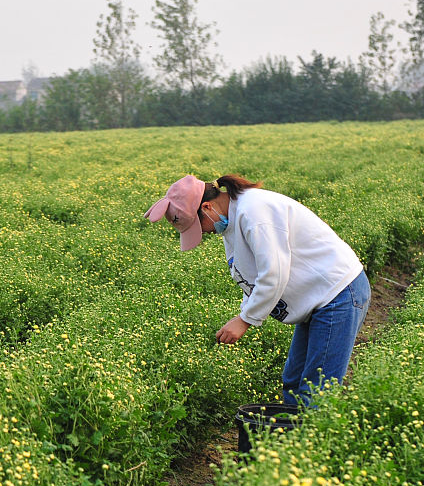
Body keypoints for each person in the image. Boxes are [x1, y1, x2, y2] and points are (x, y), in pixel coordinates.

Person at [146, 174, 370, 408]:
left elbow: (273, 273)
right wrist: (244, 313)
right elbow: (250, 276)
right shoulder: (231, 222)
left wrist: (245, 320)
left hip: (337, 294)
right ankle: (293, 440)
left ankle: (313, 442)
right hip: (316, 299)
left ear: (207, 207)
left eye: (199, 227)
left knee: (315, 392)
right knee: (294, 384)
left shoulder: (253, 212)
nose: (205, 234)